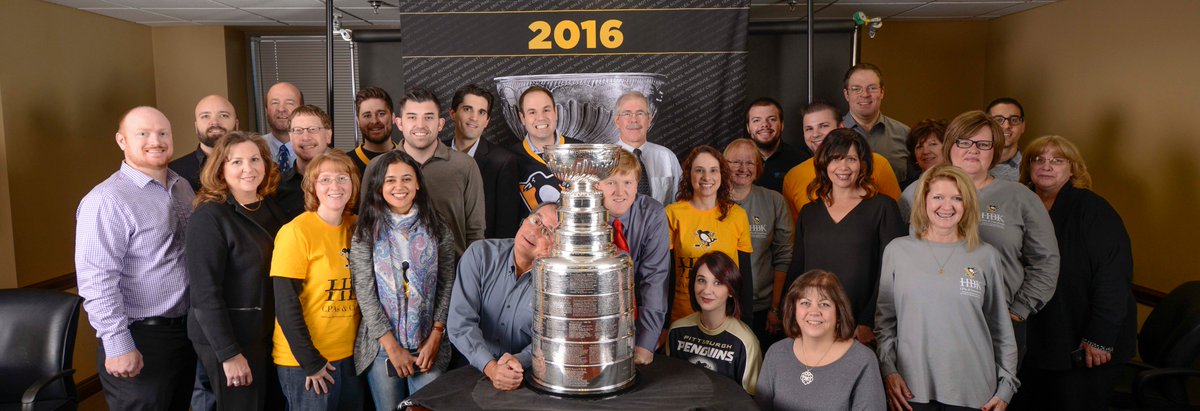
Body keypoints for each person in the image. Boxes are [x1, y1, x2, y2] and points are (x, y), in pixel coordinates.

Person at [899, 111, 1059, 364]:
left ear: (994, 151)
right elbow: (902, 257)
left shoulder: (1021, 197)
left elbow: (1046, 260)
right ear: (951, 145)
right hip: (929, 320)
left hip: (997, 322)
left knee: (989, 399)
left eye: (984, 144)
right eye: (964, 142)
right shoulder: (915, 193)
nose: (973, 150)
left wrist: (1019, 309)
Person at [76, 106, 196, 410]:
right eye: (142, 134)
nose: (155, 140)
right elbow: (97, 279)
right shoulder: (106, 200)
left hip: (185, 333)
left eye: (162, 133)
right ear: (121, 140)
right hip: (140, 336)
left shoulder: (181, 187)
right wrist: (118, 344)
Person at [1008, 136, 1135, 410]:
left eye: (1057, 160)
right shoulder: (1021, 204)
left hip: (1087, 342)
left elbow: (1113, 279)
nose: (1046, 166)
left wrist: (1099, 338)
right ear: (1027, 166)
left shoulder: (1094, 210)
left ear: (1073, 168)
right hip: (1041, 336)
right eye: (1038, 159)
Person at [877, 164, 1018, 411]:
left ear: (968, 204)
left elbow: (1001, 328)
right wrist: (889, 371)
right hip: (912, 389)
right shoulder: (897, 251)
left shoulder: (986, 256)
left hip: (973, 392)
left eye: (957, 198)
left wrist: (1006, 388)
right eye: (938, 197)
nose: (947, 206)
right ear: (924, 201)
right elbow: (885, 323)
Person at [186, 131, 286, 409]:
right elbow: (205, 295)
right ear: (220, 169)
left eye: (255, 159)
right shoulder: (209, 217)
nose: (248, 168)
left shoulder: (268, 206)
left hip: (265, 332)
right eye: (236, 162)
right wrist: (229, 354)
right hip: (231, 338)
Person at [350, 151, 456, 409]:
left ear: (418, 183)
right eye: (390, 180)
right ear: (379, 186)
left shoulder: (438, 227)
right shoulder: (365, 230)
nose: (400, 187)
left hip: (428, 344)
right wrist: (392, 347)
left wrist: (436, 335)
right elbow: (364, 292)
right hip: (382, 347)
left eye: (407, 179)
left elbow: (447, 284)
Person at [786, 129, 905, 345]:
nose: (843, 167)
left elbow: (891, 273)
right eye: (836, 159)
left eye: (851, 159)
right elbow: (798, 269)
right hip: (813, 325)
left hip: (861, 329)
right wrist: (791, 315)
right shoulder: (809, 212)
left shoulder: (883, 207)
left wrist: (870, 321)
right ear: (824, 163)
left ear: (863, 164)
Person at [270, 150, 363, 410]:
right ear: (312, 186)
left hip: (350, 358)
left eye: (343, 178)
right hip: (307, 362)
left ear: (353, 184)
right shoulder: (295, 233)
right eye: (325, 179)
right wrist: (311, 361)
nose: (335, 186)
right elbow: (286, 304)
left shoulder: (356, 227)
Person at [447, 203, 560, 391]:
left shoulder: (557, 284)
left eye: (548, 232)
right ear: (524, 220)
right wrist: (491, 367)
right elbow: (460, 324)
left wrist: (517, 361)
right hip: (470, 369)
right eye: (536, 220)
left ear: (558, 247)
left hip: (523, 376)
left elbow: (551, 341)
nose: (535, 232)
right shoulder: (480, 254)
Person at [756, 270, 886, 411]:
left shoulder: (863, 360)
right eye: (805, 303)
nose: (814, 312)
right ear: (794, 309)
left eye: (824, 304)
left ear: (839, 312)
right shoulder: (776, 353)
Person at [666, 145, 753, 326]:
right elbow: (666, 276)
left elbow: (744, 274)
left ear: (722, 175)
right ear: (689, 175)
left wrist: (746, 321)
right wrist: (665, 324)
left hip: (725, 319)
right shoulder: (672, 214)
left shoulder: (737, 215)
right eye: (699, 170)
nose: (707, 177)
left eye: (713, 170)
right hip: (681, 317)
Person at [598, 150, 671, 365]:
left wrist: (645, 342)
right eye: (611, 182)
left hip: (640, 318)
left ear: (637, 185)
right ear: (597, 185)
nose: (620, 192)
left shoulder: (652, 214)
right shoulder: (582, 214)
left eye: (628, 182)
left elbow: (655, 279)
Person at [394, 87, 486, 256]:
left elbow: (475, 232)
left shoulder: (465, 166)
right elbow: (369, 230)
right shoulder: (379, 167)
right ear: (399, 123)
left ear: (440, 124)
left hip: (454, 273)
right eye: (412, 117)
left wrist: (472, 274)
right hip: (394, 276)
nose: (420, 125)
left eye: (428, 117)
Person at [722, 138, 793, 349]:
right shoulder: (711, 201)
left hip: (762, 308)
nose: (743, 168)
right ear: (724, 165)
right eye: (735, 162)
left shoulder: (774, 201)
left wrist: (775, 308)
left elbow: (784, 256)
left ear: (758, 167)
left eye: (750, 162)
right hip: (717, 306)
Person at [781, 101, 901, 221]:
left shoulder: (877, 163)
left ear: (841, 127)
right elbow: (796, 233)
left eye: (823, 126)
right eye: (809, 129)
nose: (815, 134)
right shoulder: (793, 176)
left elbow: (896, 216)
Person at [666, 251, 762, 394]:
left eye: (717, 282)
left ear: (731, 290)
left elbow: (751, 401)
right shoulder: (677, 331)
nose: (707, 290)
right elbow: (668, 387)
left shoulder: (745, 342)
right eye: (701, 280)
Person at [448, 84, 523, 239]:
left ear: (487, 121)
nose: (474, 118)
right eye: (467, 109)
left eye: (481, 112)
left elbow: (506, 226)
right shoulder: (435, 152)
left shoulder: (503, 161)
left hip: (481, 255)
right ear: (453, 113)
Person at [509, 86, 584, 213]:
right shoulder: (509, 158)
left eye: (546, 110)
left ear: (555, 112)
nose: (541, 117)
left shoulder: (580, 150)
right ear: (522, 118)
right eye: (532, 112)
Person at [841, 63, 915, 185]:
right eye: (856, 89)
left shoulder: (905, 134)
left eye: (872, 88)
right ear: (846, 94)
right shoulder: (831, 134)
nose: (864, 94)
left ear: (882, 92)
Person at [614, 90, 682, 205]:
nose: (634, 119)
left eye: (640, 113)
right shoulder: (604, 159)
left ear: (649, 119)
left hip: (660, 222)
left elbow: (680, 202)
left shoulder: (667, 157)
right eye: (627, 114)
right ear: (617, 121)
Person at [276, 105, 333, 219]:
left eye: (313, 129)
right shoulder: (277, 187)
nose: (305, 137)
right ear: (290, 137)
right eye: (298, 130)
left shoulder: (345, 184)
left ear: (328, 135)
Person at [171, 94, 239, 191]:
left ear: (236, 124)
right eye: (205, 116)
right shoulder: (174, 173)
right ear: (196, 126)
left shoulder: (255, 168)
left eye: (223, 115)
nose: (215, 122)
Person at [746, 97, 809, 192]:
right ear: (748, 128)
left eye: (771, 119)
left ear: (782, 125)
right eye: (756, 120)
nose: (765, 125)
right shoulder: (735, 162)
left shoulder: (800, 160)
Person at [349, 86, 398, 177]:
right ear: (358, 121)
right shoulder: (346, 163)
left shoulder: (409, 158)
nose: (374, 121)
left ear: (393, 117)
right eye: (367, 115)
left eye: (381, 114)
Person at [262, 82, 304, 173]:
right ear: (266, 110)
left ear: (301, 110)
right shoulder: (254, 148)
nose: (281, 109)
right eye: (274, 103)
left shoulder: (318, 153)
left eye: (289, 103)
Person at [985, 98, 1026, 182]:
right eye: (999, 120)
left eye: (1014, 120)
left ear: (1023, 126)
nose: (1007, 126)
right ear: (986, 125)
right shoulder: (971, 164)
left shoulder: (1031, 170)